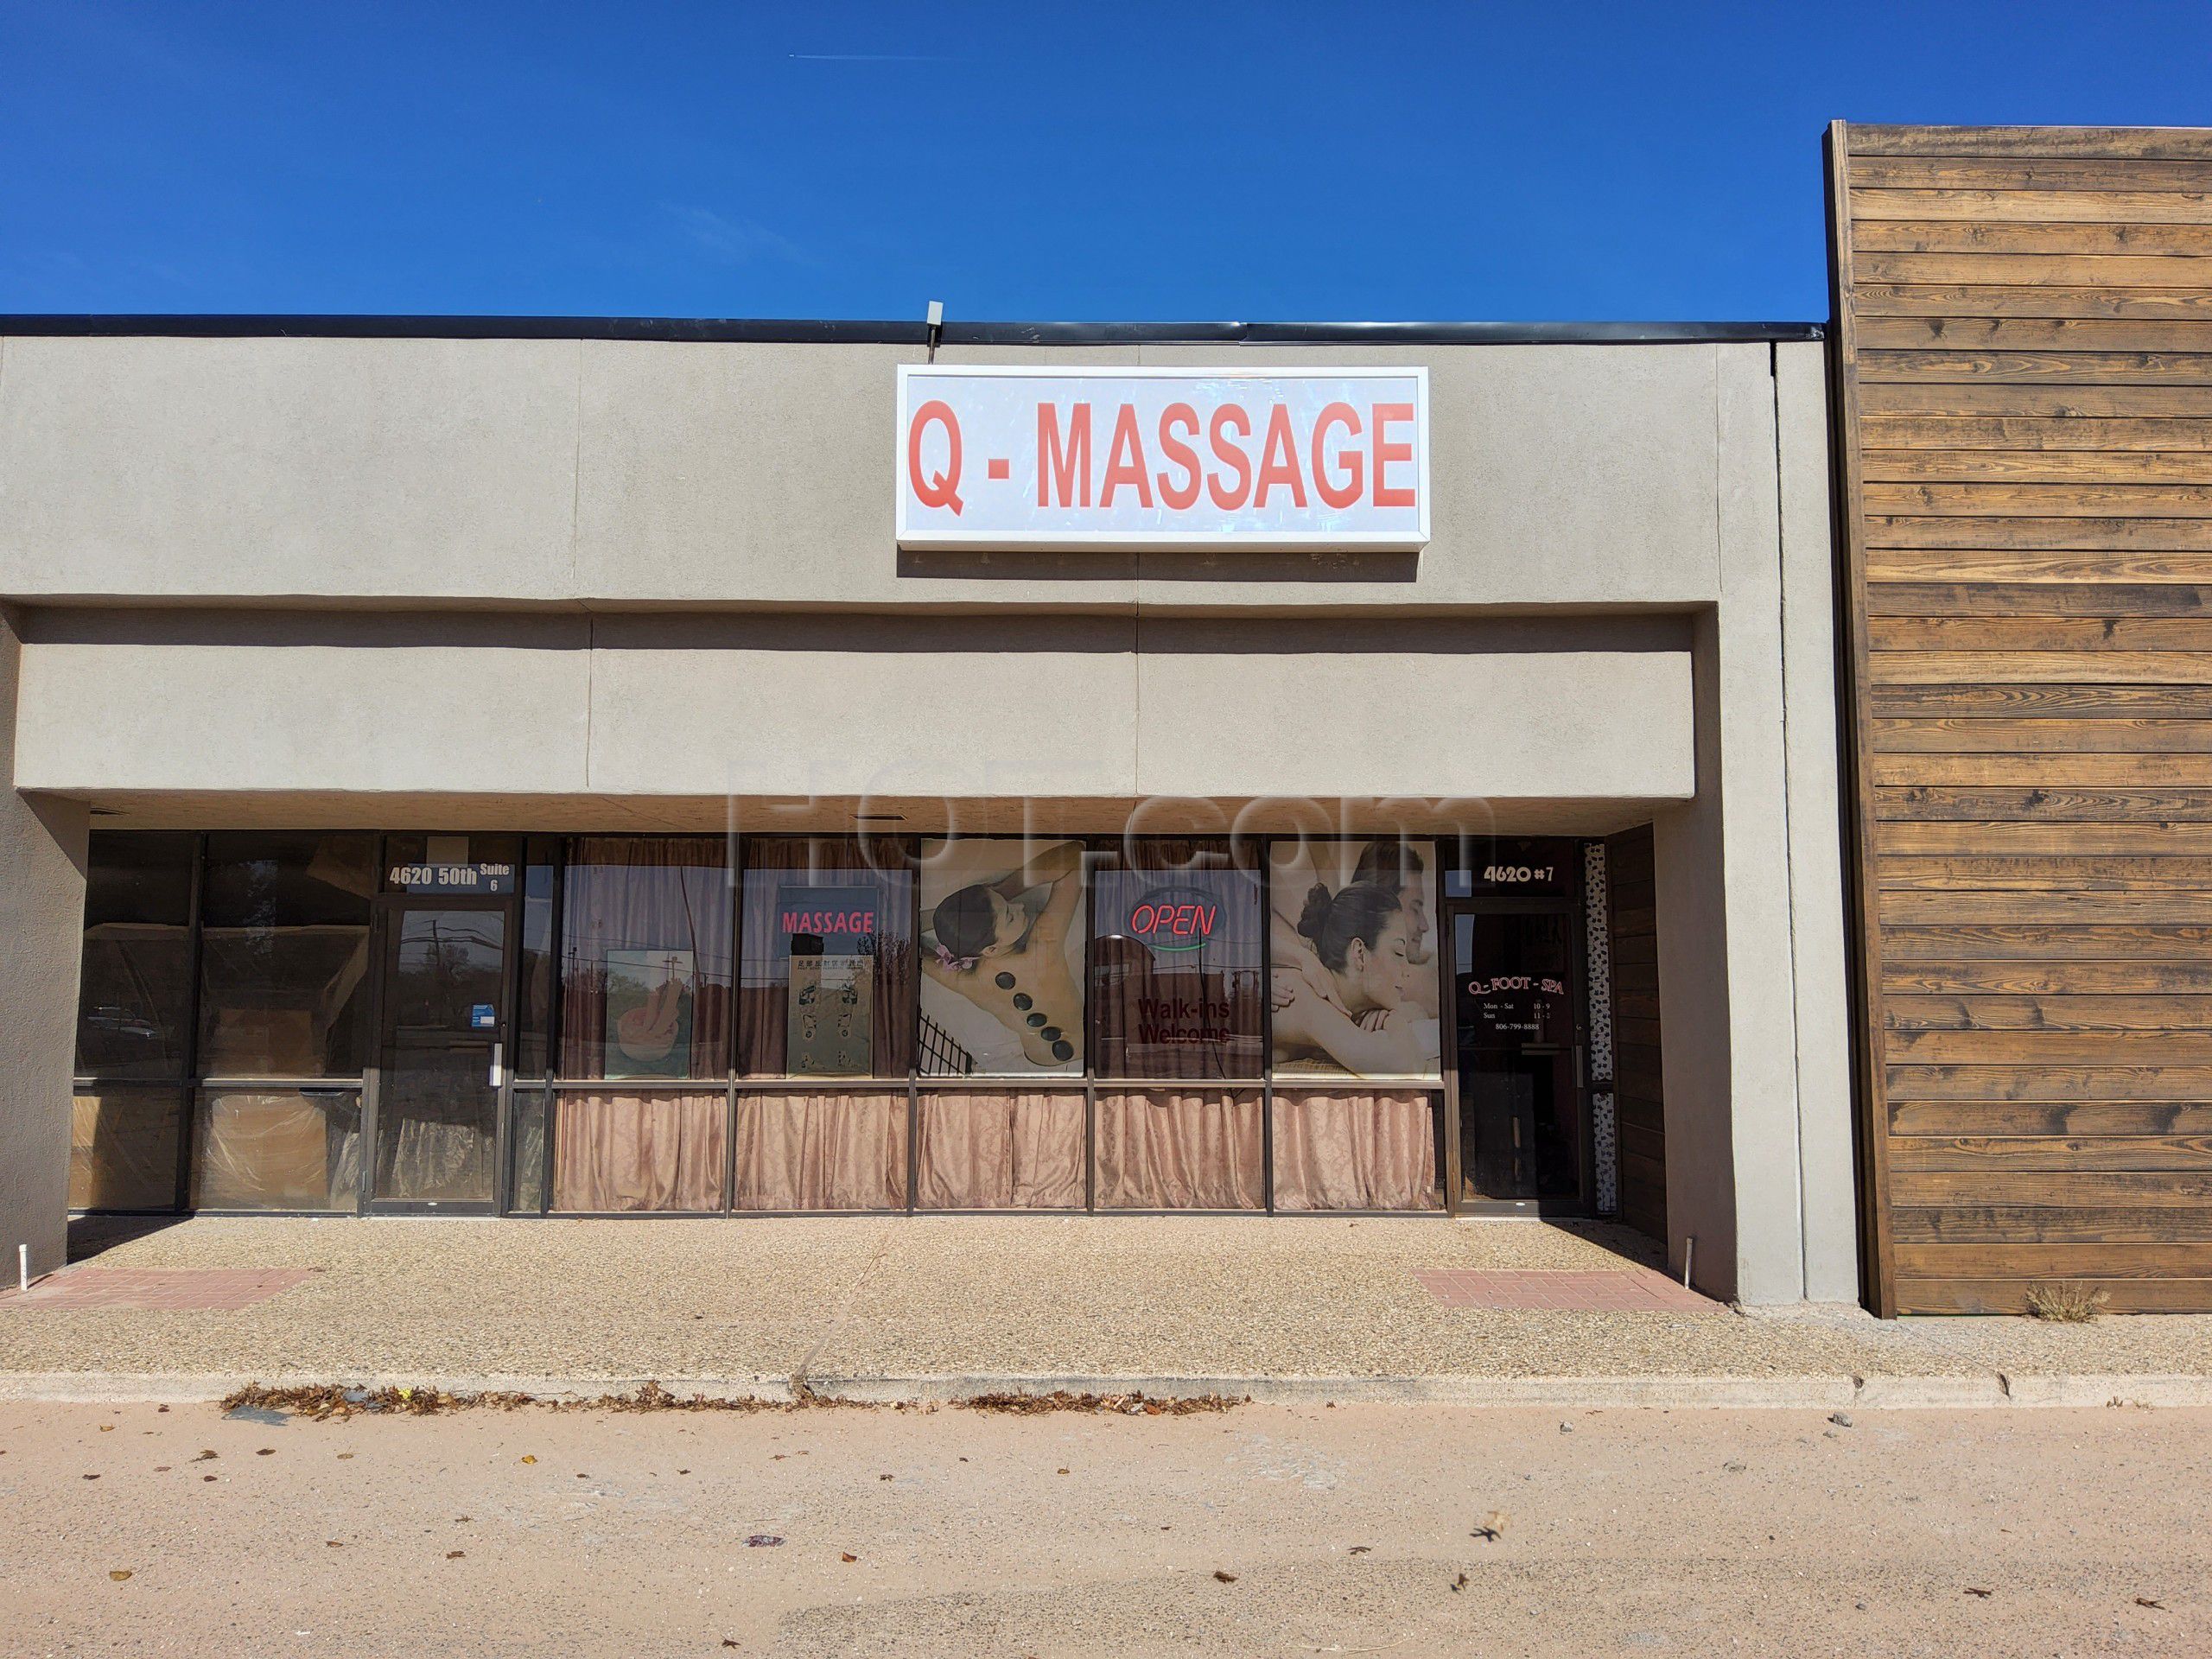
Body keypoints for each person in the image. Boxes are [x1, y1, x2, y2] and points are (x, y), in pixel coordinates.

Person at [921, 839, 1085, 1068]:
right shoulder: (1042, 948)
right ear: (991, 949)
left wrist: (952, 922)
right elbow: (1076, 855)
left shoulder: (964, 980)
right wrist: (1007, 888)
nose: (1020, 907)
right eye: (1009, 915)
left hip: (1037, 1064)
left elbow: (908, 944)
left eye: (1009, 902)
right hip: (1084, 1061)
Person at [1269, 880, 1439, 1076]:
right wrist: (1395, 1021)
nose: (1406, 970)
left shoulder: (1343, 1002)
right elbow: (1408, 1066)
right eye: (1398, 952)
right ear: (1359, 953)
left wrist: (1392, 1014)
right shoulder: (1303, 995)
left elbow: (1418, 1011)